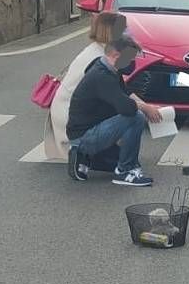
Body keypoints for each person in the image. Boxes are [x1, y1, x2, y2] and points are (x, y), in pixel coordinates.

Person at [66, 33, 163, 186]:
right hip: (85, 135)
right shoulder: (101, 76)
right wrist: (145, 109)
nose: (132, 63)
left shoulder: (106, 66)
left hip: (94, 128)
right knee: (136, 117)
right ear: (116, 55)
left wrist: (148, 106)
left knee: (119, 158)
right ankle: (125, 171)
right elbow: (127, 107)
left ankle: (83, 156)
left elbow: (125, 93)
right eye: (130, 58)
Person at [44, 11, 125, 168]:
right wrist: (142, 108)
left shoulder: (99, 50)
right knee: (128, 117)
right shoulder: (98, 58)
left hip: (70, 109)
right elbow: (115, 95)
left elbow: (120, 88)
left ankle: (95, 151)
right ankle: (84, 152)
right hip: (73, 115)